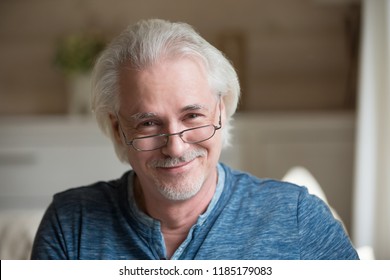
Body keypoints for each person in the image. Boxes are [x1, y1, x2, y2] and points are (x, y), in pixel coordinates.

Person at [31, 19, 359, 260]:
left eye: (192, 116)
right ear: (118, 129)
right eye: (148, 123)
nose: (175, 146)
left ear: (219, 111)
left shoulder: (299, 218)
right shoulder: (71, 223)